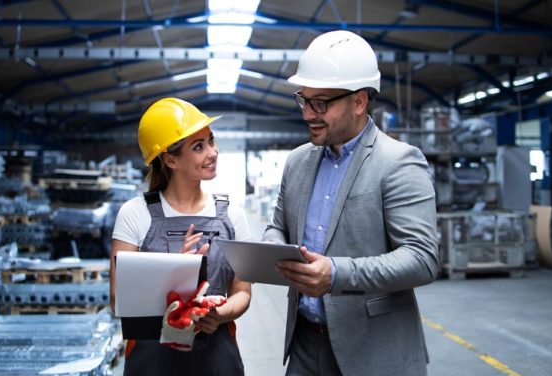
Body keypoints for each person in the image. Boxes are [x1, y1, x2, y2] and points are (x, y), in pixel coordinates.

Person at [262, 30, 439, 376]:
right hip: (303, 346)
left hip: (373, 352)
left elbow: (422, 259)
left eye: (321, 104)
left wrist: (337, 274)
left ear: (358, 102)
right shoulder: (298, 162)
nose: (308, 114)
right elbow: (277, 226)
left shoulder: (399, 162)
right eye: (304, 100)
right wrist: (272, 251)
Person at [110, 97, 251, 375]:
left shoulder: (232, 215)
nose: (213, 152)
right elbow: (118, 299)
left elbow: (242, 292)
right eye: (199, 147)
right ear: (171, 159)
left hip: (216, 356)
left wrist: (221, 314)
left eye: (211, 141)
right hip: (152, 359)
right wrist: (174, 272)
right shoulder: (135, 214)